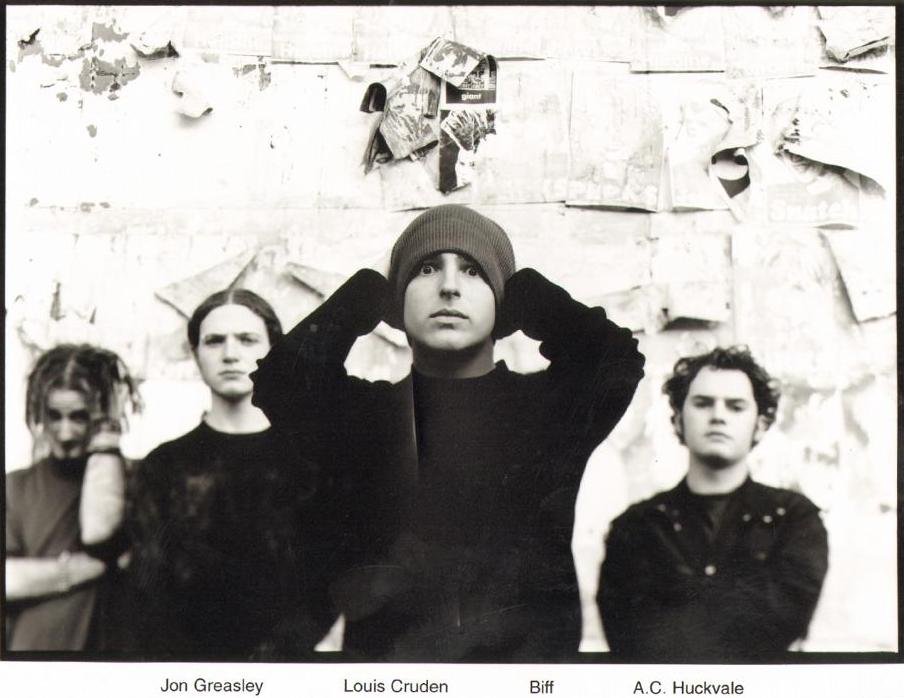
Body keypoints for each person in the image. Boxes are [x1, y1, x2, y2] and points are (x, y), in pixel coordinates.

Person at [251, 204, 645, 660]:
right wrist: (369, 288)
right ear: (397, 300)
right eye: (426, 268)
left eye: (474, 271)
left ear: (503, 300)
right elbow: (280, 381)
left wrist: (521, 288)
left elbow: (616, 359)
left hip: (524, 678)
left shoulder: (546, 412)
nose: (449, 287)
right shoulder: (363, 417)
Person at [127, 289, 326, 659]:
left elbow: (327, 589)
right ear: (195, 353)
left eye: (247, 340)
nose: (230, 354)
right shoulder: (163, 465)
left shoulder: (311, 463)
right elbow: (149, 592)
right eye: (214, 340)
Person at [597, 346, 829, 661]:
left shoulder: (794, 519)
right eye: (703, 403)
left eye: (735, 407)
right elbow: (633, 637)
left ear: (760, 424)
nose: (718, 416)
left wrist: (680, 602)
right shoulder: (635, 527)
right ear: (678, 420)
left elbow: (779, 624)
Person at [5, 343, 139, 651]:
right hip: (38, 654)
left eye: (79, 417)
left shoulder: (139, 478)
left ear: (104, 414)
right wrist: (88, 567)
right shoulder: (15, 486)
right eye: (54, 416)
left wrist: (107, 441)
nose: (65, 434)